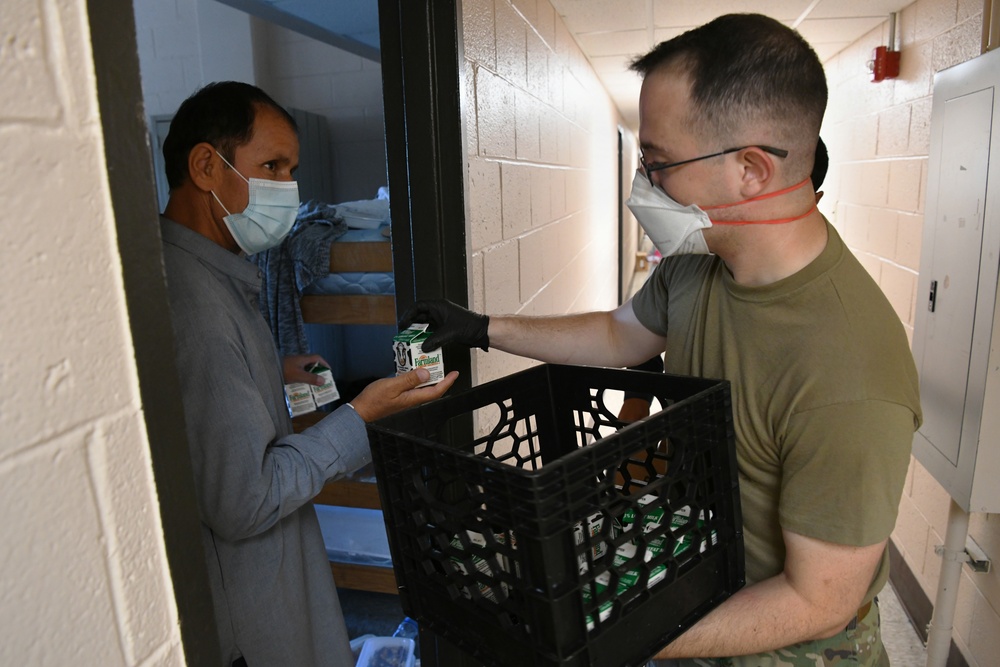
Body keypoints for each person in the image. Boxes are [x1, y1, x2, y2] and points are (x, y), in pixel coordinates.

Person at [401, 14, 919, 666]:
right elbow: (622, 333)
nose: (643, 184)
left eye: (659, 162)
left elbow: (818, 600)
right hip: (702, 563)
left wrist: (612, 628)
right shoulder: (697, 262)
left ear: (751, 169)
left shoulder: (850, 369)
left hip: (792, 644)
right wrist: (484, 328)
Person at [158, 81, 458, 667]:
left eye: (291, 170)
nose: (287, 190)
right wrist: (360, 418)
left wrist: (271, 372)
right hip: (252, 629)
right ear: (204, 166)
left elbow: (205, 396)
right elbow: (245, 499)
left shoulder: (207, 276)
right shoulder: (193, 304)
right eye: (270, 165)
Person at [618, 137, 830, 424]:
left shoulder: (821, 321)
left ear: (813, 202)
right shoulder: (692, 257)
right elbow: (636, 332)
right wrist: (635, 406)